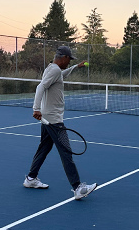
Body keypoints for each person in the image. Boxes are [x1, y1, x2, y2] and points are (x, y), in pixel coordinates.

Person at [23, 45, 98, 200]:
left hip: (48, 118)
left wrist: (75, 67)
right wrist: (36, 108)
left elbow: (61, 75)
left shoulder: (52, 69)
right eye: (69, 60)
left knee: (44, 148)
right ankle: (78, 187)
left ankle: (31, 178)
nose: (69, 62)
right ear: (63, 57)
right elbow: (40, 87)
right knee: (66, 152)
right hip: (54, 120)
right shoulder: (54, 70)